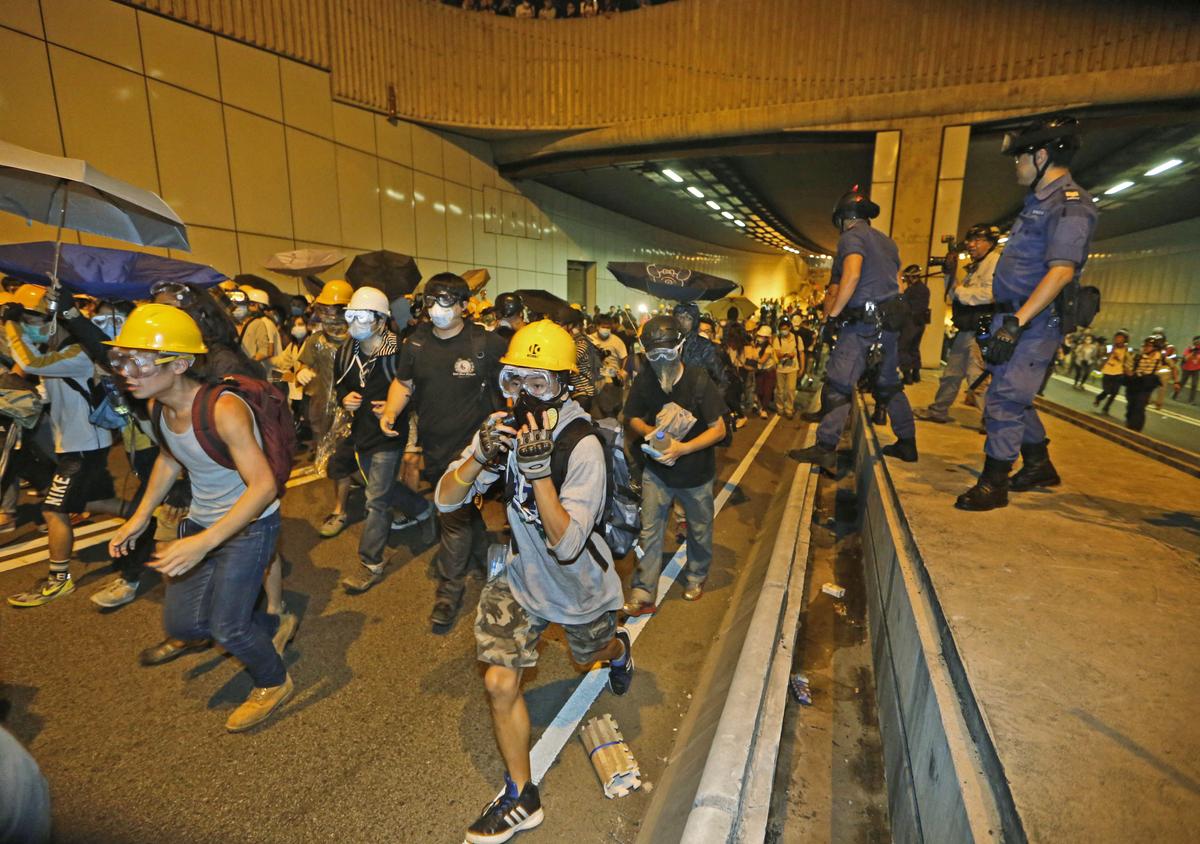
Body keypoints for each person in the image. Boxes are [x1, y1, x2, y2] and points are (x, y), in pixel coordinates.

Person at [435, 319, 632, 844]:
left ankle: (618, 649)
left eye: (539, 383)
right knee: (499, 681)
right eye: (514, 380)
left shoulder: (580, 444)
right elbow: (444, 499)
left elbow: (568, 546)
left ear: (566, 385)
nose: (523, 395)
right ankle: (521, 795)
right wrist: (480, 454)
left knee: (591, 650)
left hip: (580, 587)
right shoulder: (504, 429)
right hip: (522, 578)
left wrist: (540, 473)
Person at [106, 305, 296, 732]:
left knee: (227, 628)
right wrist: (139, 517)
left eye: (138, 361)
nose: (126, 372)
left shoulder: (221, 409)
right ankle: (271, 620)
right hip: (201, 521)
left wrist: (204, 542)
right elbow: (170, 459)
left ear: (179, 364)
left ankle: (273, 679)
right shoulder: (158, 405)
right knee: (184, 624)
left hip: (249, 525)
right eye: (121, 360)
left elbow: (263, 487)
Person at [955, 115, 1098, 510]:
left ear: (1041, 156)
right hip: (1014, 318)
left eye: (1020, 157)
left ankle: (993, 483)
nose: (1015, 165)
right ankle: (1038, 464)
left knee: (1003, 400)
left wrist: (1017, 322)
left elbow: (1062, 270)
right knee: (1013, 394)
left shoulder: (1070, 206)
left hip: (1034, 321)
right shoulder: (1037, 203)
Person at [381, 273, 507, 630]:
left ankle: (449, 590)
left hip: (478, 451)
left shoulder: (486, 344)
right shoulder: (416, 344)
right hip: (436, 448)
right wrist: (391, 412)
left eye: (446, 302)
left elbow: (512, 384)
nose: (437, 309)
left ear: (465, 306)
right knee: (461, 513)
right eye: (431, 301)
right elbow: (403, 384)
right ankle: (487, 558)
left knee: (450, 518)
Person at [4, 285, 123, 608]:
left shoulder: (77, 352)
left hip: (83, 446)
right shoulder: (59, 350)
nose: (31, 324)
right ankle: (151, 515)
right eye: (26, 317)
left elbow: (32, 364)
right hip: (72, 444)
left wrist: (12, 327)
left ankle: (59, 579)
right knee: (95, 501)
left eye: (35, 317)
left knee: (53, 509)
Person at [789, 187, 918, 471]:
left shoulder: (852, 237)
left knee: (838, 384)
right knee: (888, 385)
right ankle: (907, 443)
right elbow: (897, 283)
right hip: (890, 324)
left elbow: (853, 274)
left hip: (863, 325)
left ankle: (825, 448)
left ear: (845, 217)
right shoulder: (887, 242)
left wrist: (833, 316)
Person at [324, 286, 434, 592]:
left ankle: (370, 563)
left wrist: (395, 406)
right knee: (379, 488)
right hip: (360, 433)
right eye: (351, 316)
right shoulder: (347, 350)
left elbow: (419, 389)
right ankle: (424, 510)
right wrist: (346, 399)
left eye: (362, 317)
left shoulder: (400, 350)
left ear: (380, 320)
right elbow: (340, 386)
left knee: (376, 501)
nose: (354, 323)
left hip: (391, 432)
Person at [622, 316, 727, 614]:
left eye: (668, 354)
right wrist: (649, 432)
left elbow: (719, 428)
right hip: (657, 472)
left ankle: (696, 575)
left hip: (696, 474)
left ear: (680, 347)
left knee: (699, 528)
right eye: (654, 355)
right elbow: (631, 416)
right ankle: (643, 592)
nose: (661, 361)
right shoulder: (646, 379)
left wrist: (682, 448)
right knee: (649, 531)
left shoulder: (699, 380)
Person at [916, 224, 999, 422]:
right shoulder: (976, 265)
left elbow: (989, 295)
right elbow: (956, 295)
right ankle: (938, 410)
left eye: (976, 240)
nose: (970, 245)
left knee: (976, 377)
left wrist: (960, 290)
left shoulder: (995, 262)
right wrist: (948, 274)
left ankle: (994, 422)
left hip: (983, 327)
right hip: (967, 327)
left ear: (990, 243)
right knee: (951, 374)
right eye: (969, 241)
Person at [298, 279, 352, 448]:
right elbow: (303, 364)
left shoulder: (358, 338)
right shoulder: (316, 340)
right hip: (323, 404)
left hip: (352, 404)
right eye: (323, 310)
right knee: (325, 448)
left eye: (331, 310)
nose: (326, 316)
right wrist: (302, 371)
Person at [1125, 334, 1167, 431]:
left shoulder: (1160, 359)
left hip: (1146, 386)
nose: (1145, 347)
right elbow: (1128, 367)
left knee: (1140, 406)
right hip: (1134, 384)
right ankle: (1129, 421)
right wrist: (1131, 373)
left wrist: (1175, 381)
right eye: (1145, 345)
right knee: (1131, 405)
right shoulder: (1137, 356)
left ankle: (1135, 429)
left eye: (1148, 346)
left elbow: (1168, 369)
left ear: (1155, 348)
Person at [897, 264, 930, 383]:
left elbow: (903, 302)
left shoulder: (911, 290)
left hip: (910, 322)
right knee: (914, 348)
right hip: (920, 323)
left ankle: (907, 376)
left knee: (903, 348)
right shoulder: (924, 289)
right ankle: (916, 374)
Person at [235, 287, 282, 364]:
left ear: (258, 306)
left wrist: (248, 364)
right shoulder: (255, 322)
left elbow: (268, 350)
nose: (248, 307)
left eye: (251, 304)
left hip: (266, 370)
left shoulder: (266, 323)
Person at [1093, 329, 1132, 415]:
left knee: (1114, 392)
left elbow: (1129, 361)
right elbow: (1101, 356)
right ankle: (1099, 398)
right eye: (1117, 337)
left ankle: (1106, 408)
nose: (1118, 339)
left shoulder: (1126, 350)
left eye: (1121, 338)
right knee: (1107, 390)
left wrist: (1126, 366)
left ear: (1125, 340)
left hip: (1119, 373)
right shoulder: (1109, 347)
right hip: (1107, 371)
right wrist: (1108, 355)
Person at [773, 320, 805, 418]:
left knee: (791, 389)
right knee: (780, 390)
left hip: (793, 368)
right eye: (781, 329)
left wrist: (802, 367)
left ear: (790, 328)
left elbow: (801, 353)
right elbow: (777, 354)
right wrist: (788, 355)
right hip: (780, 368)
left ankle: (789, 409)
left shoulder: (797, 338)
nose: (784, 331)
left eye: (785, 329)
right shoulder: (777, 339)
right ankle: (780, 407)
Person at [747, 324, 778, 418]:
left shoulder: (769, 348)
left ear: (767, 338)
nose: (760, 338)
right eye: (759, 336)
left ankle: (764, 409)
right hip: (759, 371)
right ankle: (760, 406)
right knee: (759, 390)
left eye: (763, 337)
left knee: (767, 391)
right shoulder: (755, 345)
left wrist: (752, 357)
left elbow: (761, 360)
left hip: (769, 371)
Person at [1180, 335, 1200, 403]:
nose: (1198, 343)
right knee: (1182, 383)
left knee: (1194, 385)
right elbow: (1185, 358)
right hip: (1187, 368)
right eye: (1197, 341)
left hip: (1196, 369)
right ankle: (1175, 394)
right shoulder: (1189, 349)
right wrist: (1192, 352)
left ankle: (1191, 400)